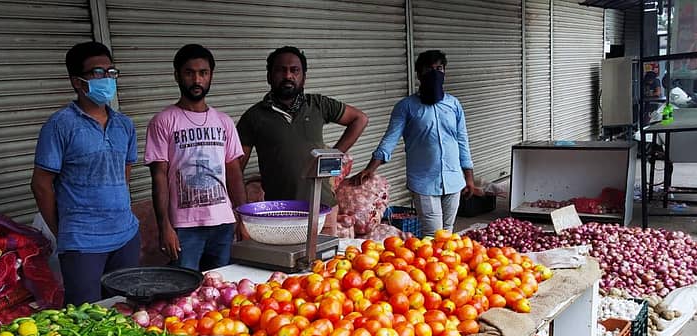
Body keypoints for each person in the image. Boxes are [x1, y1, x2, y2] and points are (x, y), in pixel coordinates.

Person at [31, 41, 140, 305]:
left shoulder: (124, 125)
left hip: (126, 236)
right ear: (78, 82)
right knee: (87, 317)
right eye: (98, 73)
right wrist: (63, 231)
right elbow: (41, 184)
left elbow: (123, 176)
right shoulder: (60, 125)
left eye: (111, 72)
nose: (107, 79)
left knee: (128, 310)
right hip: (82, 243)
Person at [237, 46, 368, 232]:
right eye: (281, 70)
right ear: (269, 76)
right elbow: (236, 167)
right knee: (286, 261)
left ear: (304, 77)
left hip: (323, 210)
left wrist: (333, 154)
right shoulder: (253, 117)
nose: (288, 76)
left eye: (294, 70)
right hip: (280, 215)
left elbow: (360, 119)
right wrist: (241, 212)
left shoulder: (318, 105)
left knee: (325, 260)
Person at [144, 44, 247, 271]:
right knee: (185, 291)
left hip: (223, 223)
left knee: (221, 286)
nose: (197, 80)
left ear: (211, 76)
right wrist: (165, 227)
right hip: (184, 226)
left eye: (203, 73)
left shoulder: (224, 121)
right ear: (177, 76)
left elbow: (234, 172)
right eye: (189, 73)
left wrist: (243, 216)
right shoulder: (163, 121)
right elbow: (159, 176)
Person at [359, 49, 480, 237]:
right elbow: (389, 139)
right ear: (418, 74)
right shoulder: (406, 107)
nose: (434, 73)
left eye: (439, 68)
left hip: (453, 179)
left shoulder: (454, 105)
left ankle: (445, 266)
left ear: (445, 72)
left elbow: (462, 140)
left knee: (447, 232)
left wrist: (469, 178)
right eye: (428, 70)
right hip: (424, 181)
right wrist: (370, 168)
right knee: (433, 234)